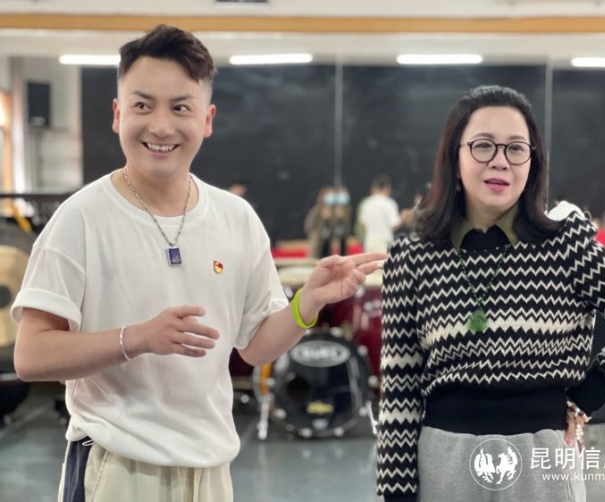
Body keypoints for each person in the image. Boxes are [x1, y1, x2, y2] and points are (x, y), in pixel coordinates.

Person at [11, 25, 385, 502]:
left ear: (207, 119)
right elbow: (31, 356)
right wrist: (137, 338)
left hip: (210, 468)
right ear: (118, 114)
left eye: (180, 107)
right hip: (117, 466)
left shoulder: (236, 218)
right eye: (143, 105)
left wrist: (306, 303)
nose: (161, 126)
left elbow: (255, 348)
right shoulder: (80, 218)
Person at [376, 85, 605, 501]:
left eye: (516, 148)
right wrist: (397, 494)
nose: (500, 160)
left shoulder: (567, 246)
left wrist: (586, 398)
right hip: (444, 461)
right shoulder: (412, 258)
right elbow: (399, 392)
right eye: (483, 145)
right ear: (454, 158)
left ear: (532, 162)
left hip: (542, 457)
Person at [357, 174, 402, 253]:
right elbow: (394, 225)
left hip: (369, 242)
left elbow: (363, 224)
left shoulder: (367, 203)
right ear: (387, 188)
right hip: (384, 242)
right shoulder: (389, 203)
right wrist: (403, 219)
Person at [304, 185, 351, 258]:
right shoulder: (317, 210)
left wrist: (340, 219)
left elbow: (343, 230)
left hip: (332, 245)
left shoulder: (341, 211)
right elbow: (309, 226)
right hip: (318, 244)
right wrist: (323, 220)